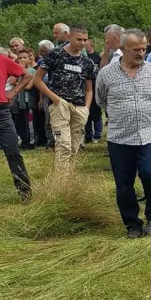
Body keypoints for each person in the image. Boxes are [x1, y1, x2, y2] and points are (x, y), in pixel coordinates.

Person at [95, 29, 151, 238]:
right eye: (136, 49)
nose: (141, 53)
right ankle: (132, 224)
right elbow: (102, 101)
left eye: (144, 48)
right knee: (124, 183)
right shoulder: (106, 74)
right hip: (120, 137)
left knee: (149, 174)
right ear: (122, 49)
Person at [34, 24, 97, 171]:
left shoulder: (87, 62)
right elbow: (37, 80)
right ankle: (61, 180)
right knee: (63, 144)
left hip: (79, 106)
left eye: (85, 40)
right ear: (69, 37)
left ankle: (69, 176)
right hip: (59, 104)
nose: (82, 43)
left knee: (74, 146)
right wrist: (56, 99)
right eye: (79, 39)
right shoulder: (55, 54)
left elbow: (89, 89)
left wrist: (86, 108)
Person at [0, 50, 33, 200]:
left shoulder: (3, 60)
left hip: (2, 113)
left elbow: (27, 75)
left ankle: (24, 192)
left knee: (13, 151)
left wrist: (14, 92)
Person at [11, 49, 38, 150]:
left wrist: (17, 84)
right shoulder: (16, 70)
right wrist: (19, 69)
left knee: (29, 122)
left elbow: (28, 87)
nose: (22, 59)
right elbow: (11, 81)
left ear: (29, 59)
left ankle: (31, 142)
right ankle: (23, 141)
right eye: (20, 58)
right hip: (17, 101)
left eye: (25, 58)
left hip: (29, 102)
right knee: (19, 123)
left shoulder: (33, 71)